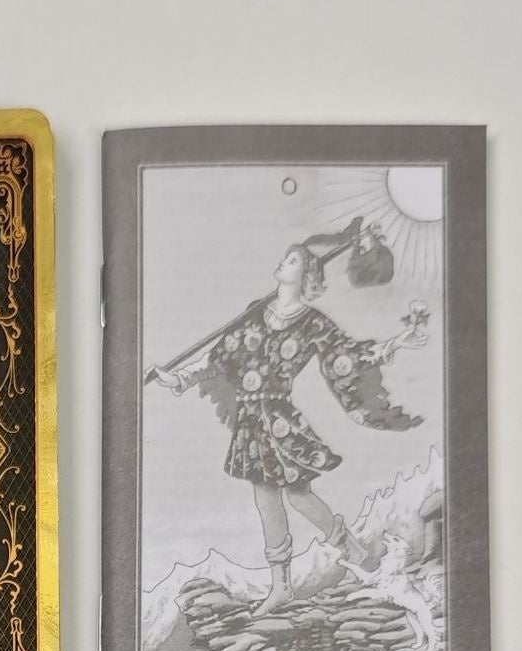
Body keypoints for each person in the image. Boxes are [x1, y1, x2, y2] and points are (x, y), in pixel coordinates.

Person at [157, 228, 427, 615]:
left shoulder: (312, 323)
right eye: (287, 256)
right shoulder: (255, 312)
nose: (285, 261)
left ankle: (354, 554)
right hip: (251, 421)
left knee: (299, 495)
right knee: (266, 499)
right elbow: (219, 357)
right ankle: (282, 587)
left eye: (295, 259)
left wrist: (395, 343)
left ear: (308, 275)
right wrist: (180, 378)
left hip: (279, 419)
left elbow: (347, 357)